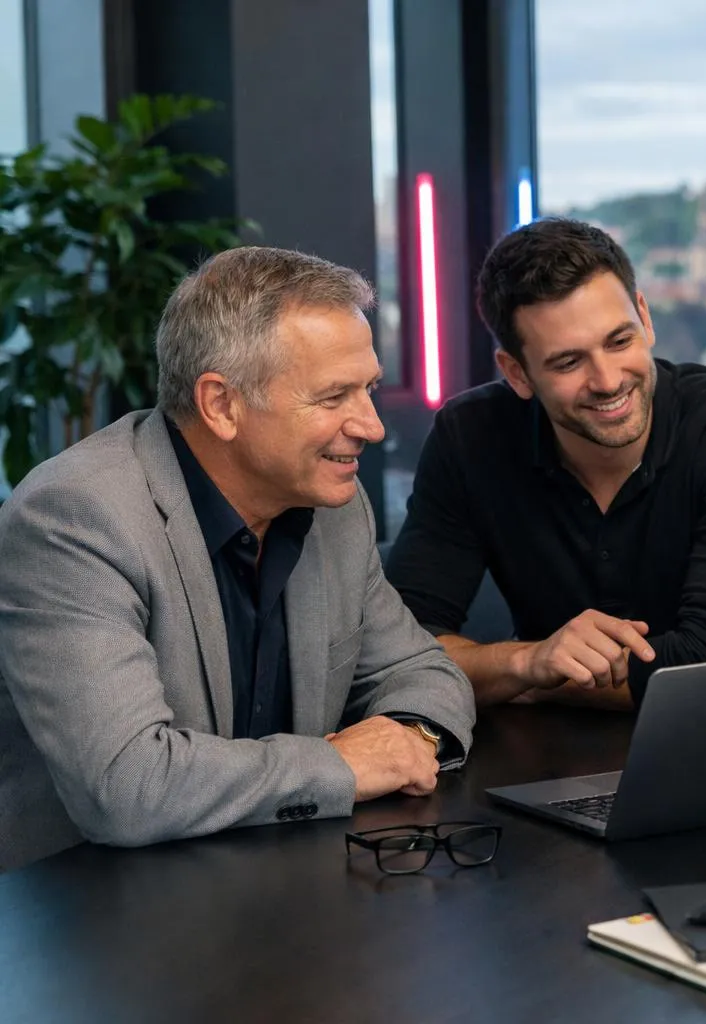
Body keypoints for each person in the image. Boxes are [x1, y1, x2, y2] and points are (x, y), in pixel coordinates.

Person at [0, 247, 476, 872]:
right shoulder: (75, 518)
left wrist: (407, 741)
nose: (372, 425)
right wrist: (340, 765)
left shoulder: (335, 502)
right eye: (334, 397)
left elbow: (426, 672)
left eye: (368, 389)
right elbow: (127, 787)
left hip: (280, 885)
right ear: (221, 404)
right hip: (88, 914)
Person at [385, 218, 706, 710]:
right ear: (517, 373)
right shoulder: (469, 436)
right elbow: (403, 658)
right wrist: (528, 661)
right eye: (568, 363)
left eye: (619, 341)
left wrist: (523, 682)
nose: (607, 380)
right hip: (542, 764)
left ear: (644, 318)